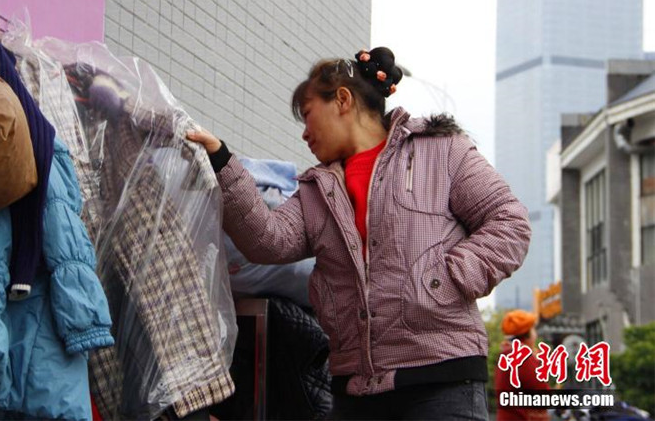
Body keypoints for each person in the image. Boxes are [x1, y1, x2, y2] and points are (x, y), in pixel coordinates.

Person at [187, 47, 532, 420]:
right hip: (354, 388)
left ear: (342, 100)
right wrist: (221, 160)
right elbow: (267, 241)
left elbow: (509, 222)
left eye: (307, 115)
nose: (304, 133)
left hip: (441, 380)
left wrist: (442, 281)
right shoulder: (316, 190)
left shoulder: (441, 151)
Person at [495, 310, 551, 421]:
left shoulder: (507, 354)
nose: (535, 333)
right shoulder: (523, 357)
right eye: (533, 329)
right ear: (527, 333)